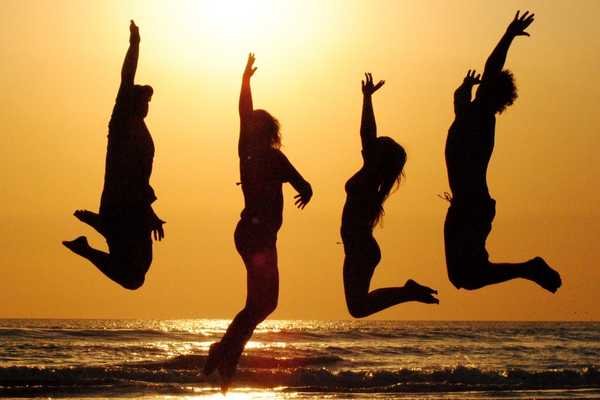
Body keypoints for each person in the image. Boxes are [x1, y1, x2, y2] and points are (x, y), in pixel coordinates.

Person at [203, 53, 312, 392]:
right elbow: (303, 184)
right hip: (257, 236)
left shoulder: (252, 154)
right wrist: (245, 82)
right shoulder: (258, 153)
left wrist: (246, 81)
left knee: (263, 304)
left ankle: (226, 354)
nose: (249, 127)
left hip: (255, 235)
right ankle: (225, 352)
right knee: (261, 304)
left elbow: (302, 184)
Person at [444, 11, 561, 292]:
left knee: (466, 277)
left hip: (472, 204)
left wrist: (508, 35)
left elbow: (492, 66)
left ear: (490, 93)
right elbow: (459, 98)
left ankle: (528, 268)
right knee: (463, 277)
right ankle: (527, 269)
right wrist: (464, 86)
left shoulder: (481, 116)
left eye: (485, 84)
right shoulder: (467, 114)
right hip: (467, 203)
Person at [62, 20, 164, 290]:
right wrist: (135, 44)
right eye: (142, 100)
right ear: (130, 101)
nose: (146, 106)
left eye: (148, 102)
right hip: (124, 204)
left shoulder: (142, 128)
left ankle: (101, 228)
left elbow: (140, 179)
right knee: (134, 277)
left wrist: (149, 211)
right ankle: (98, 231)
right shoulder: (121, 120)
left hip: (132, 206)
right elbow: (127, 77)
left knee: (136, 274)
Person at [342, 73, 439, 319]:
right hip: (360, 248)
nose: (372, 144)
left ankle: (407, 292)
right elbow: (368, 136)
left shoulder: (370, 175)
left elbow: (367, 134)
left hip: (360, 248)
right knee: (358, 306)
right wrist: (367, 98)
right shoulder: (371, 176)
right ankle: (407, 292)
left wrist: (366, 99)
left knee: (358, 307)